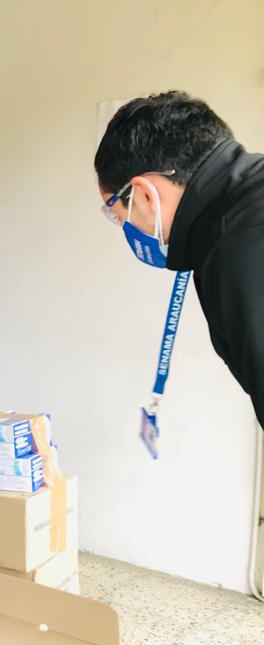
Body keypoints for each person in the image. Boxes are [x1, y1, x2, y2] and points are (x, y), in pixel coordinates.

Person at [96, 91, 264, 427]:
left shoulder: (240, 247)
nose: (126, 227)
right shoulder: (244, 201)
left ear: (145, 193)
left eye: (118, 215)